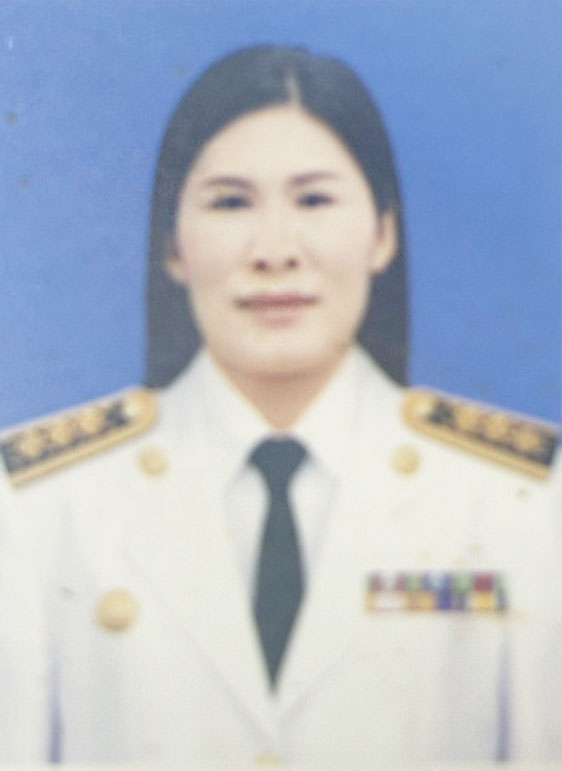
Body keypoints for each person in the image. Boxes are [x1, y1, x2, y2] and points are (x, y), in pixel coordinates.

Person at [1, 45, 561, 766]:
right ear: (173, 245)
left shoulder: (521, 499)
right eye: (231, 203)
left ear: (383, 234)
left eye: (314, 200)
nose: (274, 251)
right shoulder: (40, 506)